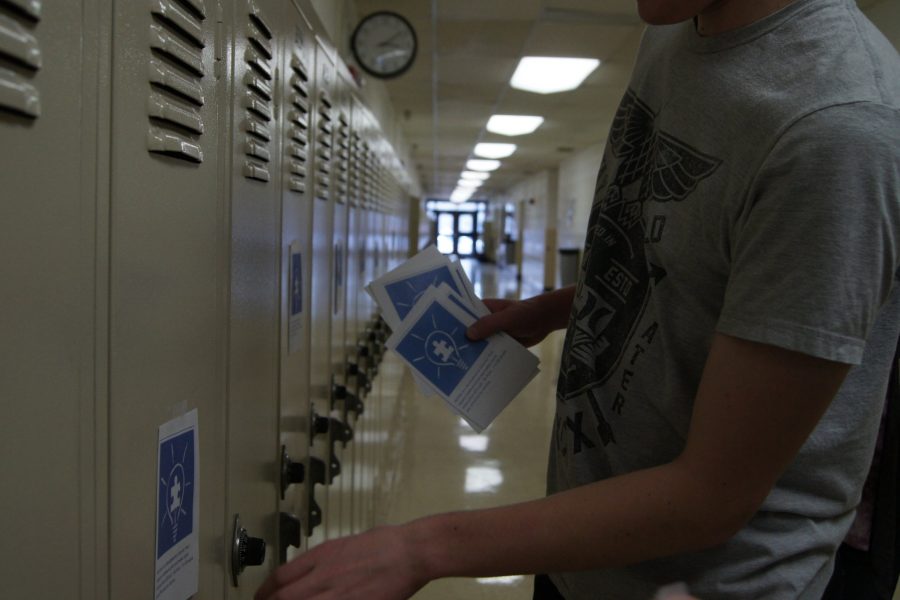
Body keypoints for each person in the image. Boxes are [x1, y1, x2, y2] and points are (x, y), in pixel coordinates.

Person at [256, 0, 900, 598]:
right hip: (587, 552)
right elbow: (680, 264)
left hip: (702, 582)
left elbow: (712, 496)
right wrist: (559, 306)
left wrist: (422, 547)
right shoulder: (671, 34)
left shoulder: (838, 130)